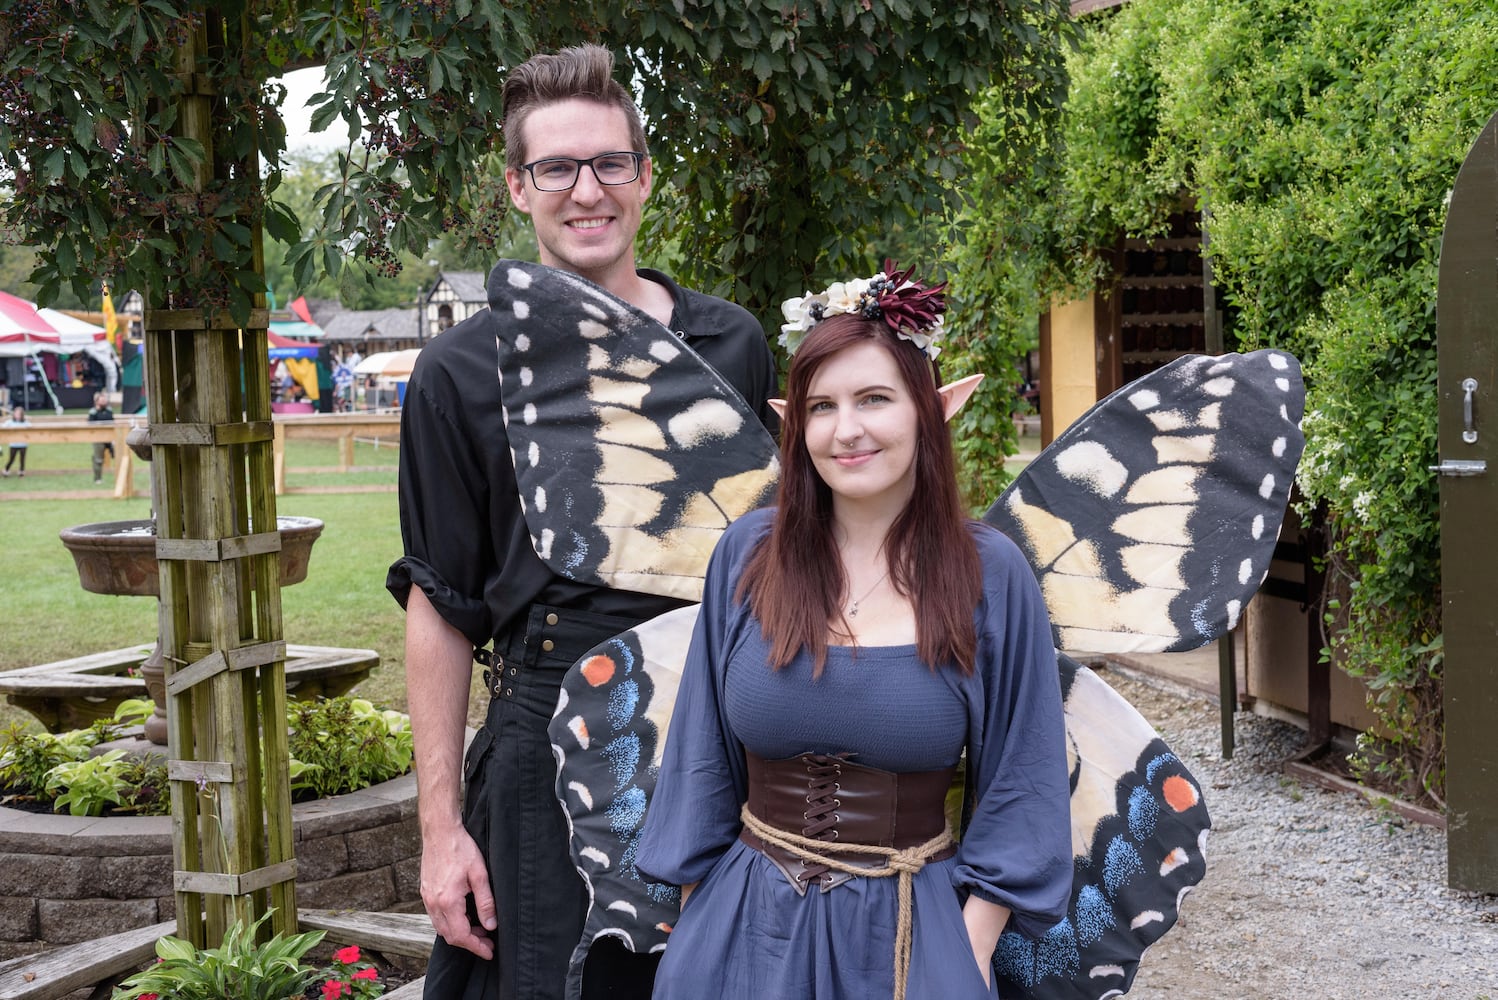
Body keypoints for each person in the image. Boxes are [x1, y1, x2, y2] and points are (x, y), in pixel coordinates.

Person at [384, 44, 777, 1000]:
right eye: (556, 167)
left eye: (609, 163)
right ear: (518, 188)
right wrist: (440, 833)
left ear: (644, 176)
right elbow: (439, 607)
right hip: (545, 744)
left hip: (719, 732)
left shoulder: (731, 344)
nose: (586, 190)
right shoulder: (459, 374)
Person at [636, 266, 1073, 999]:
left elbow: (1023, 780)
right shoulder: (748, 556)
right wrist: (697, 936)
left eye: (874, 399)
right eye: (822, 406)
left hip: (910, 940)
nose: (847, 430)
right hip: (741, 931)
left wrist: (966, 953)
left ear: (929, 411)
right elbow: (699, 761)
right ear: (794, 422)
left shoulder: (989, 575)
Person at [88, 392, 115, 484]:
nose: (104, 401)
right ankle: (98, 478)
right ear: (97, 401)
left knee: (118, 454)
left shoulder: (109, 411)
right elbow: (90, 425)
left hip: (110, 438)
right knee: (98, 459)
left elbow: (112, 422)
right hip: (98, 438)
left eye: (105, 399)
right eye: (102, 399)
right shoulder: (93, 412)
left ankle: (118, 477)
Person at [2, 405, 31, 477]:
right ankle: (6, 470)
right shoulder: (10, 422)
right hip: (13, 444)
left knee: (22, 459)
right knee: (12, 458)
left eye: (19, 414)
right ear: (14, 414)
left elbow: (31, 426)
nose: (17, 415)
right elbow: (3, 426)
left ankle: (21, 471)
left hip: (23, 444)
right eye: (16, 414)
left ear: (22, 415)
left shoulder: (25, 423)